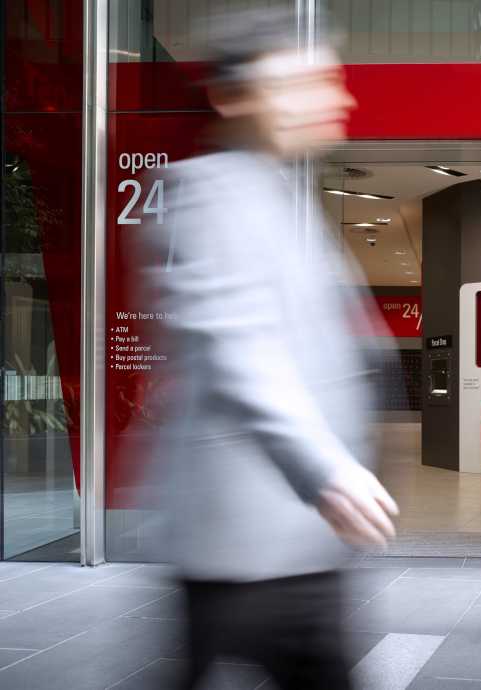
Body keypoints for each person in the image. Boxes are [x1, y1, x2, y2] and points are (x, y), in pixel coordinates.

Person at [140, 9, 399, 690]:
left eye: (328, 81)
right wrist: (325, 469)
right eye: (300, 83)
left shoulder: (283, 191)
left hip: (292, 535)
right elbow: (240, 349)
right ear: (234, 97)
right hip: (248, 533)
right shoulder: (209, 195)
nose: (332, 97)